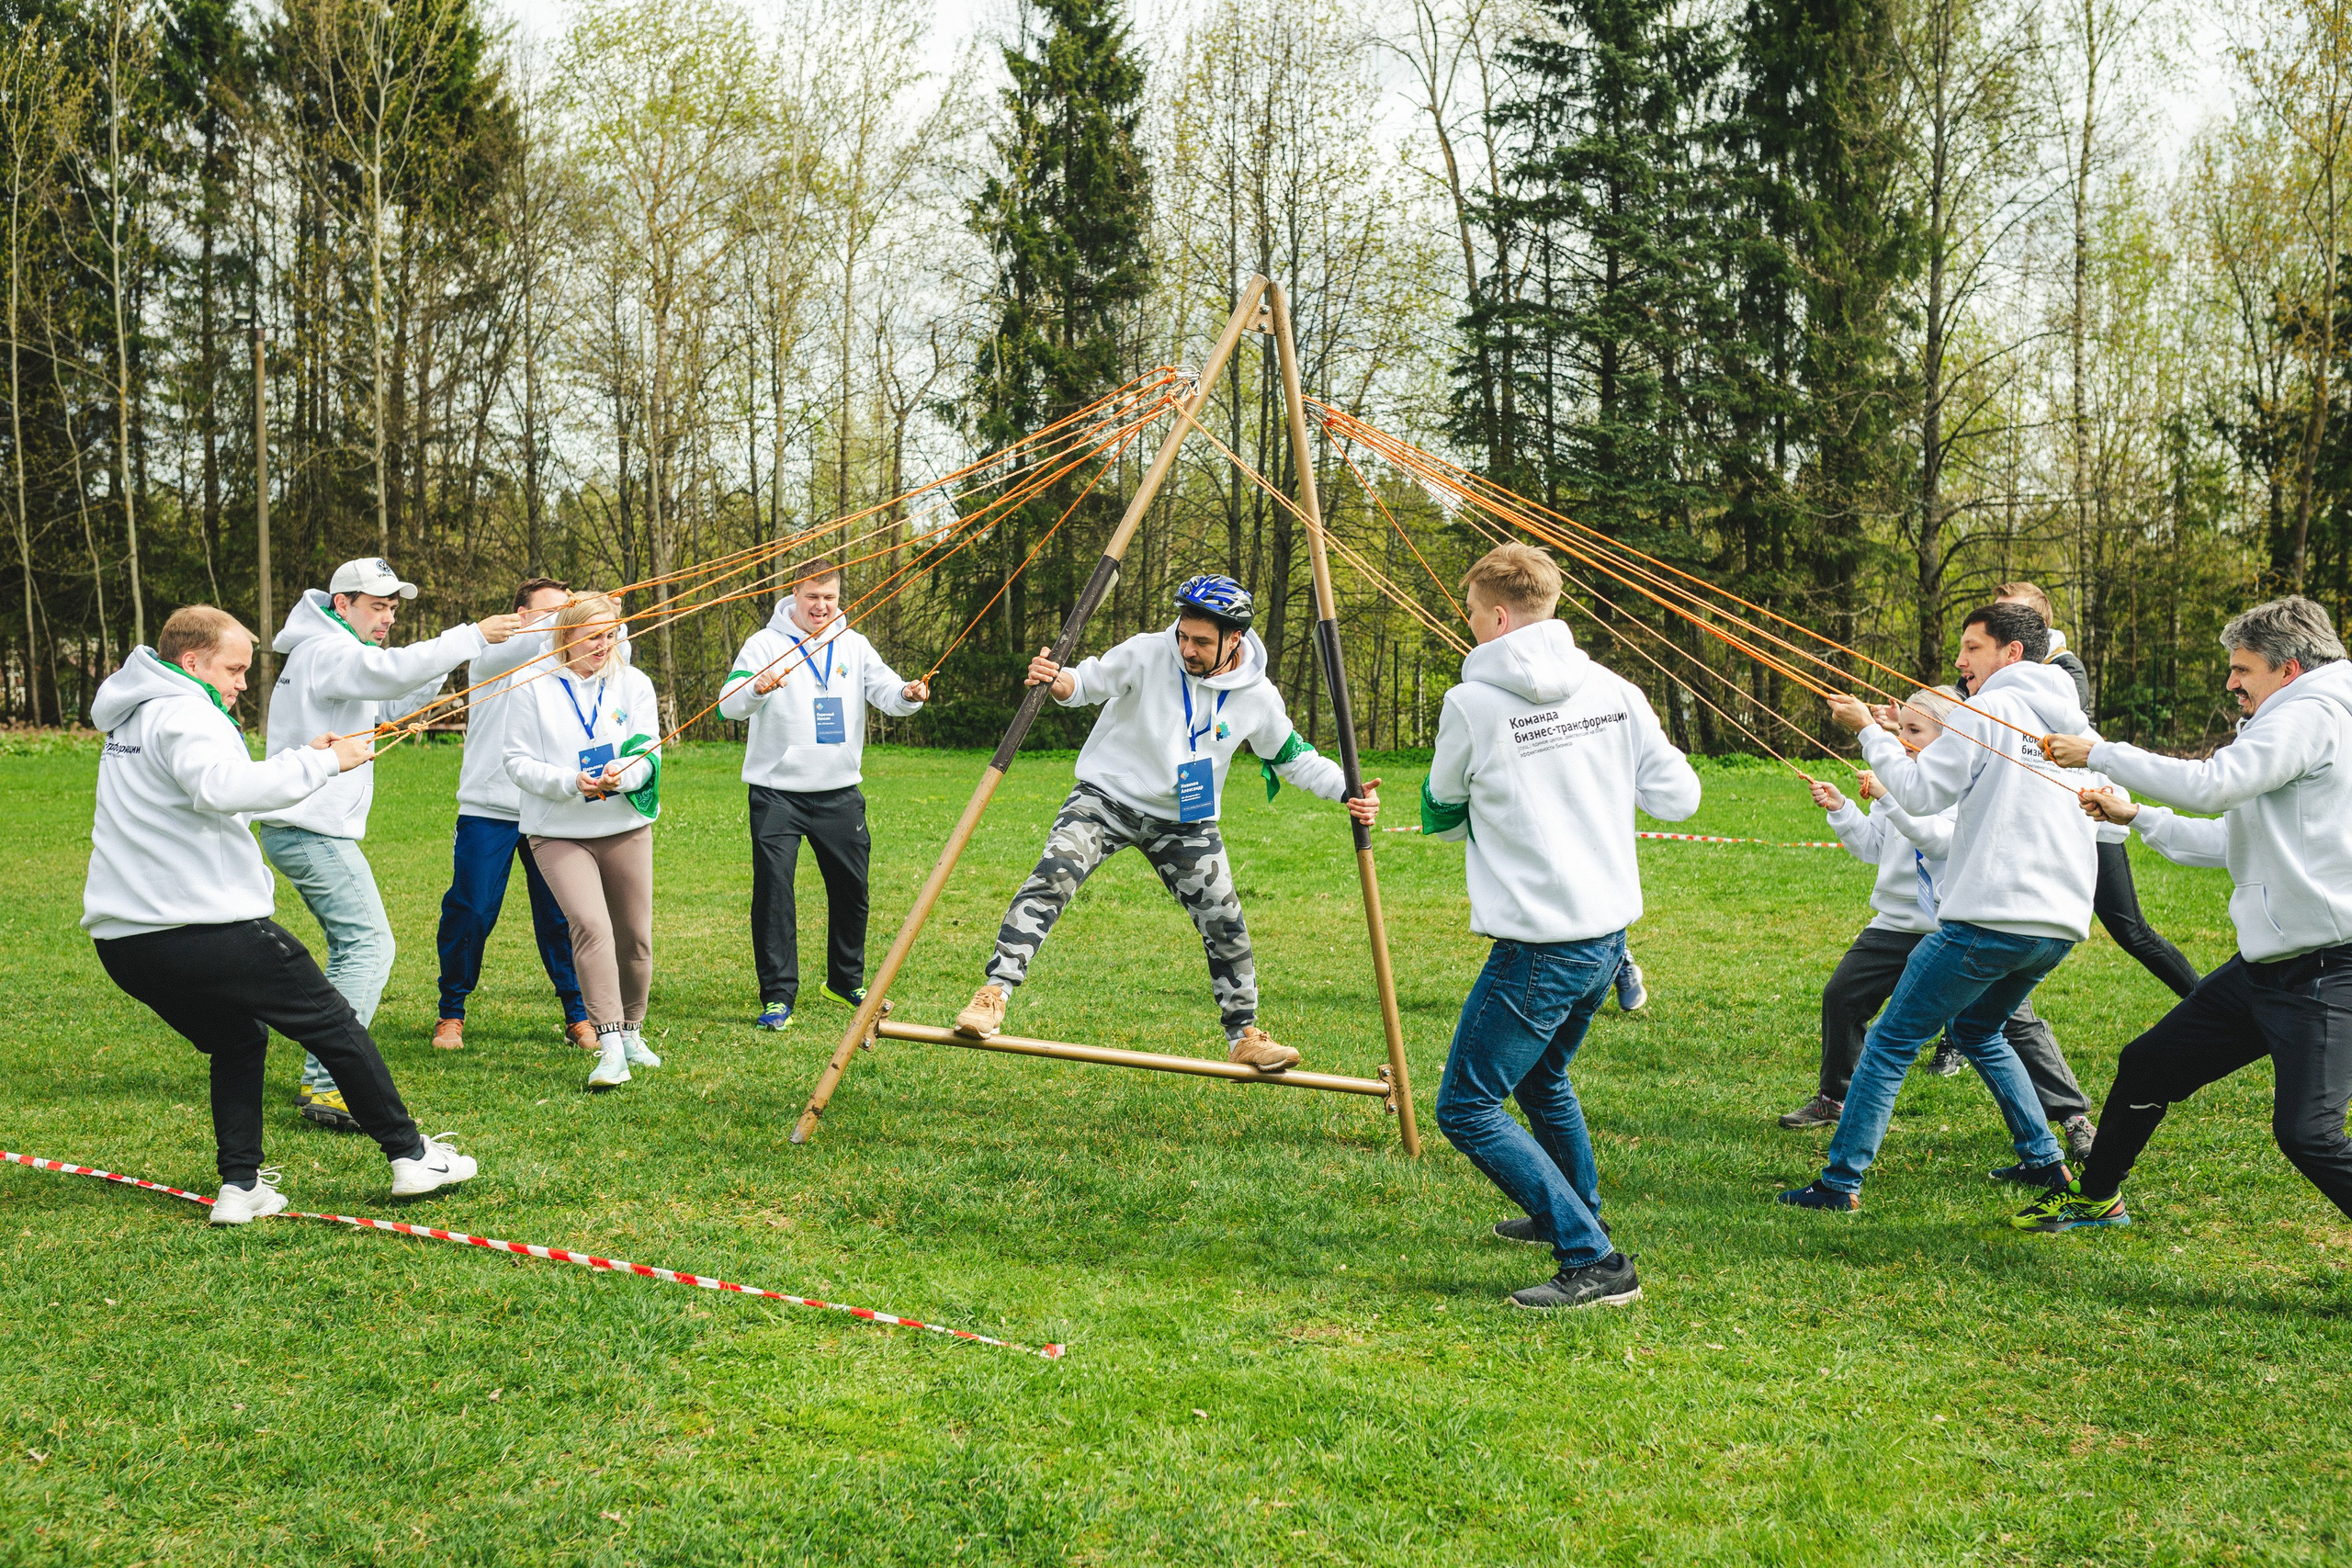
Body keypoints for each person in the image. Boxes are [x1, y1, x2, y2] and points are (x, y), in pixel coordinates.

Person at [83, 606, 478, 1221]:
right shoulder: (187, 711)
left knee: (238, 1037)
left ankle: (240, 1188)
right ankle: (412, 1155)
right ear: (193, 662)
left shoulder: (137, 711)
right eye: (234, 667)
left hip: (126, 943)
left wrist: (302, 754)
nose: (244, 681)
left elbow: (208, 788)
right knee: (334, 1024)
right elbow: (219, 788)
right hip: (203, 927)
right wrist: (325, 762)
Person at [2018, 595, 2352, 1234]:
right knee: (2148, 1064)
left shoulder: (2310, 713)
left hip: (2325, 971)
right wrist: (2140, 817)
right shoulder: (2297, 720)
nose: (2230, 682)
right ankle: (2096, 1198)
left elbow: (2213, 784)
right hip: (2265, 967)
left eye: (2242, 669)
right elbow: (2235, 838)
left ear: (2289, 669)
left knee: (2309, 1134)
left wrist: (2099, 752)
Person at [1421, 544, 1699, 1310]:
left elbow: (1441, 813)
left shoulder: (1470, 704)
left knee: (1467, 1105)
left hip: (1540, 945)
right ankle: (1574, 1209)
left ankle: (1595, 1259)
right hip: (1606, 939)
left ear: (1500, 616)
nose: (1469, 625)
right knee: (1542, 1077)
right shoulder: (1615, 687)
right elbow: (1680, 796)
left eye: (1472, 613)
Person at [951, 574, 1376, 1069]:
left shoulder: (1257, 695)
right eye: (1183, 635)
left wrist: (1347, 788)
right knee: (1053, 874)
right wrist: (1057, 678)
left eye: (1200, 641)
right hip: (1106, 797)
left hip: (1185, 823)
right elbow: (1085, 683)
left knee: (1225, 919)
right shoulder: (1148, 652)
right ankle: (993, 994)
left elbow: (1293, 757)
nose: (1187, 649)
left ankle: (1244, 1035)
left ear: (1234, 639)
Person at [1781, 602, 2109, 1212]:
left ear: (2012, 653)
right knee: (1979, 1030)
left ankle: (1839, 1183)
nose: (1960, 661)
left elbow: (1919, 792)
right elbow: (2109, 814)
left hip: (1991, 918)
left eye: (1973, 647)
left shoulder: (1990, 710)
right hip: (2059, 925)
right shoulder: (2078, 727)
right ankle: (2045, 1161)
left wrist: (1867, 730)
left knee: (1890, 1041)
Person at [258, 558, 523, 1129]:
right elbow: (386, 675)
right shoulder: (326, 651)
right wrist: (471, 635)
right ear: (341, 605)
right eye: (377, 607)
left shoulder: (337, 653)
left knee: (355, 948)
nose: (387, 620)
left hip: (306, 828)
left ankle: (316, 1071)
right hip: (310, 830)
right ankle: (327, 1088)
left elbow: (390, 701)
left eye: (393, 610)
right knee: (369, 947)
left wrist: (447, 669)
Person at [718, 561, 928, 1032]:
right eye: (813, 596)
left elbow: (887, 692)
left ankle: (844, 980)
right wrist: (757, 687)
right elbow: (729, 706)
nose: (821, 607)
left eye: (830, 598)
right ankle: (777, 996)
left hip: (839, 793)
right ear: (795, 594)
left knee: (852, 890)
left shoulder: (853, 644)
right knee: (774, 893)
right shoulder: (764, 645)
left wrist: (910, 694)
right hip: (777, 794)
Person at [1995, 581, 2201, 1001]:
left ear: (2035, 626)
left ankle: (2211, 1005)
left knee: (2130, 930)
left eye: (2007, 615)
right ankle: (1964, 1037)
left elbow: (2050, 727)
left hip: (2090, 815)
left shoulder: (2061, 672)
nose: (1995, 624)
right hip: (2032, 816)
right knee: (1996, 923)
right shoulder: (1990, 670)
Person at [503, 592, 665, 1091]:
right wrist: (570, 781)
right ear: (565, 635)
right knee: (591, 927)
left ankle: (634, 1031)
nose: (604, 644)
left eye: (611, 633)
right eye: (593, 635)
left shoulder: (634, 683)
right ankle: (610, 1047)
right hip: (557, 830)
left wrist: (627, 775)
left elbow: (649, 749)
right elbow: (516, 761)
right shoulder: (528, 682)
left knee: (634, 937)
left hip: (624, 826)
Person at [433, 576, 596, 1053]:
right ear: (521, 616)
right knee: (473, 909)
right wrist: (577, 618)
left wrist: (602, 617)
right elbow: (529, 645)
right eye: (551, 613)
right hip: (490, 808)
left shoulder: (569, 664)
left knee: (562, 914)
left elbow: (612, 645)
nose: (562, 622)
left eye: (567, 612)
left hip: (550, 804)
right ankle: (452, 1013)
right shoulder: (493, 656)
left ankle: (579, 1014)